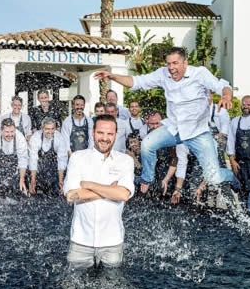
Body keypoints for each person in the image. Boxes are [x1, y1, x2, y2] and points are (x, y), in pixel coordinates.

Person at [94, 47, 237, 196]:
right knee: (147, 144)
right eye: (168, 64)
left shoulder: (199, 73)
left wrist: (226, 97)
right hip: (174, 129)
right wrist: (112, 76)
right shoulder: (163, 74)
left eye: (175, 63)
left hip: (197, 132)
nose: (171, 68)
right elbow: (137, 81)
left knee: (213, 177)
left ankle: (232, 177)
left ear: (185, 63)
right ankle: (147, 178)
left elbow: (223, 87)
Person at [63, 114, 134, 269]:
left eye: (110, 134)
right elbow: (71, 196)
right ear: (93, 133)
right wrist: (111, 189)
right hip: (81, 240)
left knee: (113, 288)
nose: (105, 138)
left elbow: (123, 195)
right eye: (101, 133)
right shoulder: (77, 158)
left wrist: (89, 185)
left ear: (115, 135)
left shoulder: (125, 161)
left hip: (113, 242)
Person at [0, 118, 29, 196]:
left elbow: (23, 160)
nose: (10, 135)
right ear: (1, 131)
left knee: (18, 194)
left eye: (12, 131)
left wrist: (22, 180)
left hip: (14, 168)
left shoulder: (20, 138)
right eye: (7, 132)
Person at [138, 111, 178, 197]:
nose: (155, 126)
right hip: (153, 171)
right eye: (152, 124)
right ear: (147, 123)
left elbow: (175, 159)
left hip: (168, 171)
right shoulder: (148, 135)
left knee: (163, 190)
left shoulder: (169, 134)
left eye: (157, 123)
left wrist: (166, 179)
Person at [28, 117, 68, 196]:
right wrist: (33, 181)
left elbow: (62, 160)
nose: (50, 131)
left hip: (53, 171)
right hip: (39, 170)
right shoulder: (36, 137)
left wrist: (61, 181)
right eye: (47, 129)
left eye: (52, 129)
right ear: (42, 128)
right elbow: (33, 160)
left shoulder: (59, 138)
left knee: (56, 193)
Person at [207, 91, 230, 168]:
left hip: (218, 138)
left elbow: (225, 129)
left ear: (212, 96)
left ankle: (221, 168)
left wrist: (214, 137)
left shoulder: (221, 111)